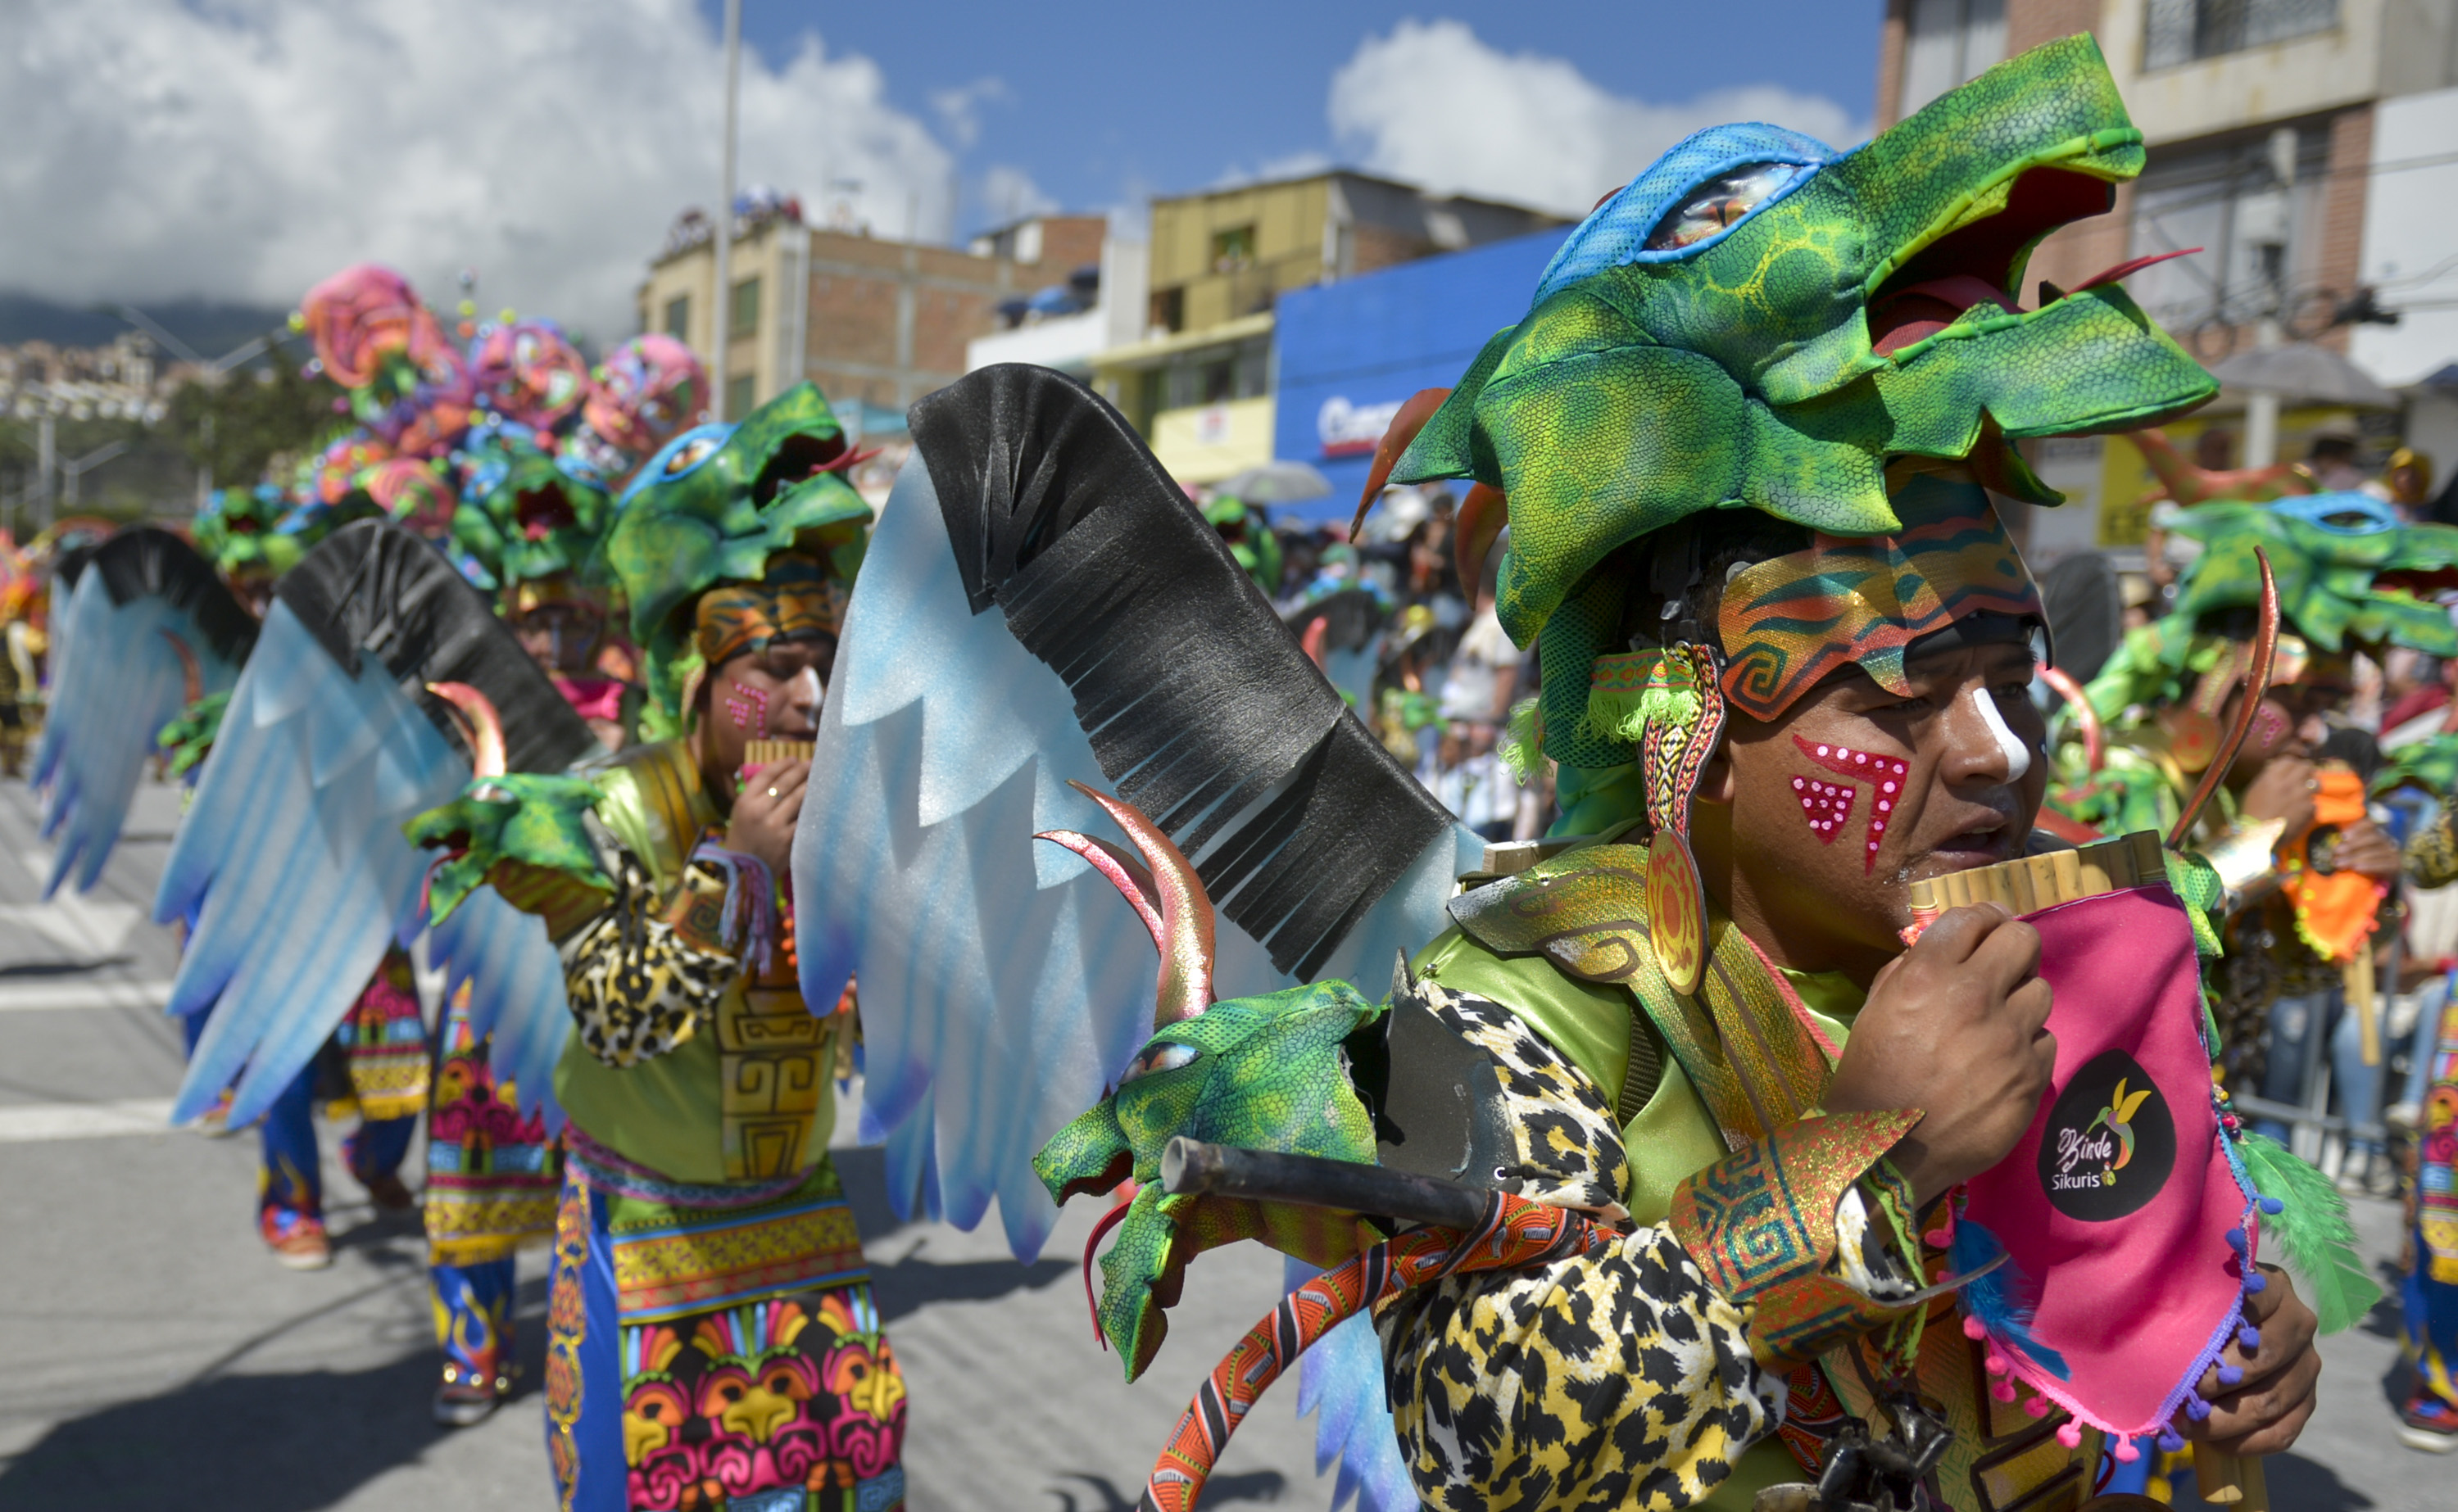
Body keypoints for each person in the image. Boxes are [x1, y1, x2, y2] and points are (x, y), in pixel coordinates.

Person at [410, 383, 904, 1511]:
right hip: (648, 1234)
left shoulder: (847, 810)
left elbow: (882, 1023)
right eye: (772, 671)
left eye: (824, 662)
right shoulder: (608, 809)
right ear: (697, 678)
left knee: (852, 1486)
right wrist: (733, 867)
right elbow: (616, 1017)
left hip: (801, 1219)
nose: (812, 696)